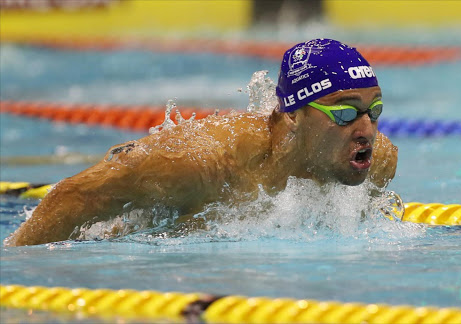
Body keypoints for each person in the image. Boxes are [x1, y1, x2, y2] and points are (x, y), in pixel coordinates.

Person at [5, 39, 398, 247]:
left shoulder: (375, 161)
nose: (366, 129)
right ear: (293, 113)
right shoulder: (204, 163)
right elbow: (76, 196)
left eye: (374, 111)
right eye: (345, 114)